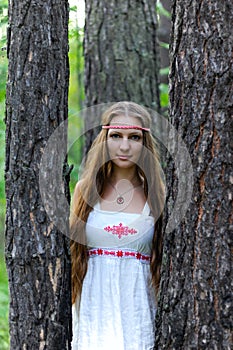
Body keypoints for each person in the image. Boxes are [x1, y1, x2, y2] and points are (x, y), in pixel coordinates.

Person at [70, 101, 165, 350]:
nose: (124, 146)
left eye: (134, 137)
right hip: (94, 311)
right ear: (105, 139)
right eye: (116, 136)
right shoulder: (85, 191)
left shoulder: (157, 196)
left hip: (139, 314)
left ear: (144, 143)